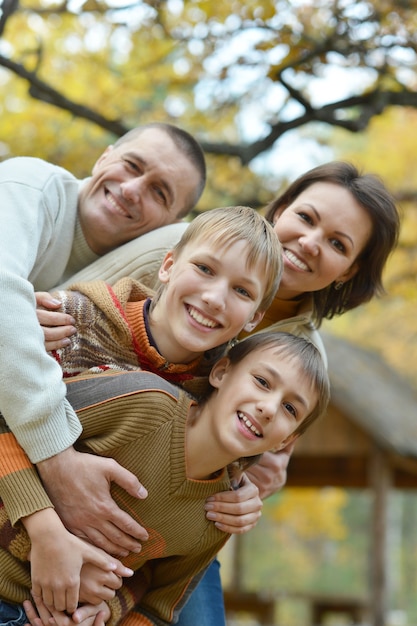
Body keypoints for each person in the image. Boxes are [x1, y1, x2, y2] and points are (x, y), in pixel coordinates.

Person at [32, 160, 401, 626]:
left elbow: (254, 466)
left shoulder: (305, 358)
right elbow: (68, 314)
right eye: (306, 218)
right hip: (59, 428)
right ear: (281, 209)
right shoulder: (187, 248)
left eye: (337, 244)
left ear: (348, 271)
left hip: (161, 505)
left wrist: (246, 492)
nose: (310, 242)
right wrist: (32, 323)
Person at [0, 205, 282, 615]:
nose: (214, 297)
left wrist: (110, 605)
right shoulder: (70, 323)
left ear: (254, 318)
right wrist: (44, 530)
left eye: (242, 291)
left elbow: (157, 545)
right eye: (205, 268)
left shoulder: (220, 407)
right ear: (167, 265)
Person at [0, 331, 331, 626]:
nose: (270, 407)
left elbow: (158, 609)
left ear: (286, 441)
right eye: (262, 382)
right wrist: (43, 535)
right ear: (221, 372)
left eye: (290, 409)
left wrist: (106, 613)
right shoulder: (144, 402)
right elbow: (10, 417)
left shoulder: (218, 516)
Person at [0, 121, 207, 564]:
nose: (132, 189)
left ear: (169, 226)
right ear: (104, 156)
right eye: (131, 165)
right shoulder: (31, 186)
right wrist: (58, 460)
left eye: (159, 193)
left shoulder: (143, 298)